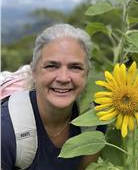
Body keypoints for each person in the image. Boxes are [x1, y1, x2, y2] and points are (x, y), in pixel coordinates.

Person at [1, 24, 106, 170]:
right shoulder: (6, 131)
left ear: (87, 74)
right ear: (34, 72)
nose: (63, 78)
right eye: (51, 66)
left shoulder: (94, 120)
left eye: (75, 67)